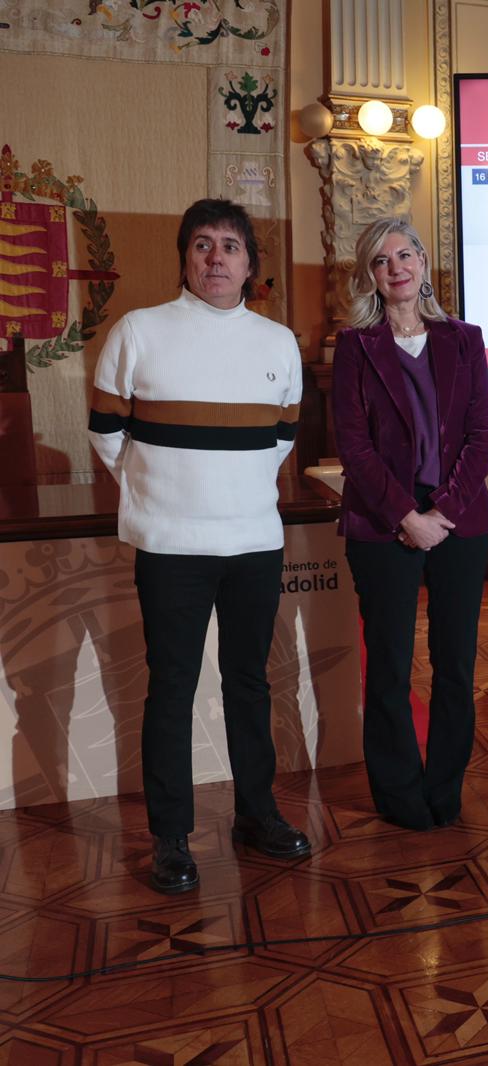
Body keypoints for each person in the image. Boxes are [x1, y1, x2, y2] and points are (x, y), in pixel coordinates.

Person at [88, 198, 309, 894]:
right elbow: (106, 433)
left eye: (231, 247)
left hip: (253, 542)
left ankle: (257, 813)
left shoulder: (277, 342)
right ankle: (171, 838)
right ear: (185, 257)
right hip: (170, 545)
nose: (217, 258)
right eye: (203, 245)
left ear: (249, 265)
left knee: (249, 681)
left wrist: (231, 486)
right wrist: (161, 491)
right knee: (172, 686)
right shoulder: (139, 330)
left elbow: (282, 438)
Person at [332, 217, 488, 831]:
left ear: (424, 262)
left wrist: (442, 512)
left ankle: (444, 788)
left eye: (404, 255)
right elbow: (353, 445)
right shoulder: (355, 346)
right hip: (384, 523)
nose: (395, 268)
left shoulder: (464, 339)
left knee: (456, 666)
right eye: (381, 261)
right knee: (389, 667)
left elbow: (482, 434)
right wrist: (407, 515)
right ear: (369, 276)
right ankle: (399, 794)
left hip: (460, 521)